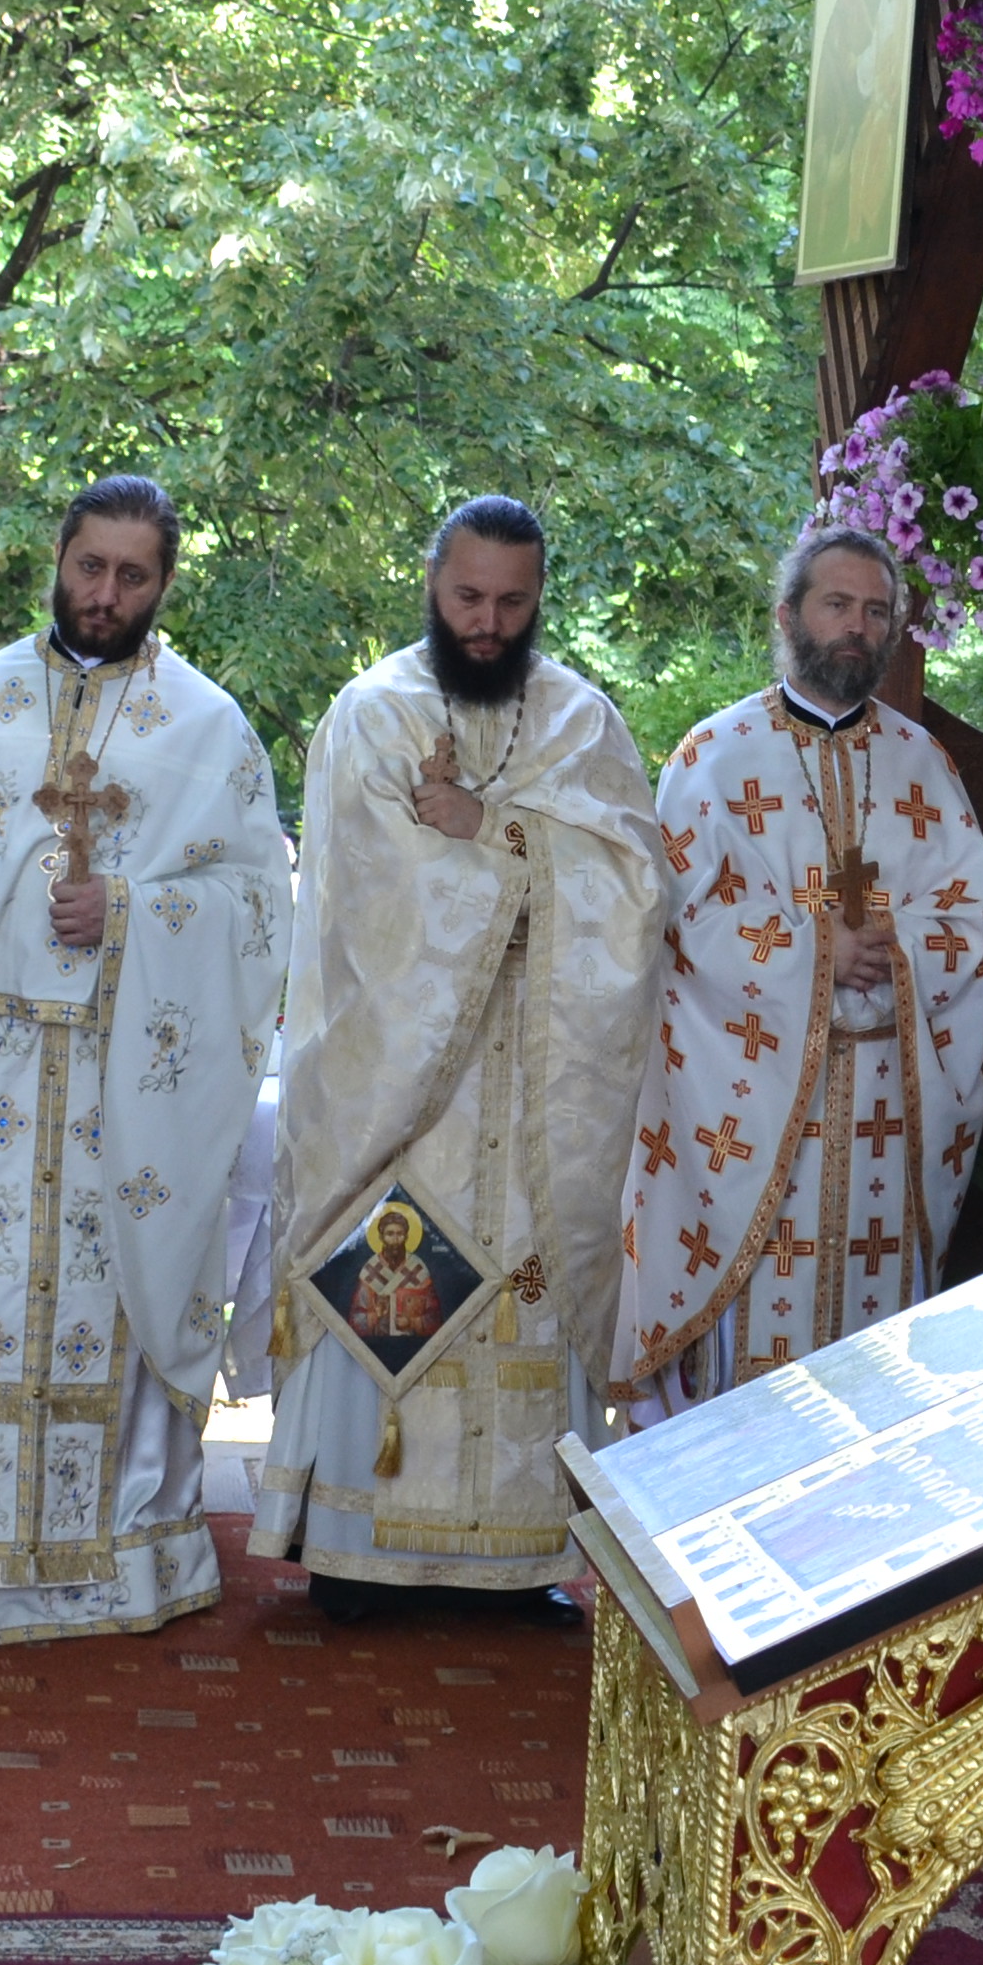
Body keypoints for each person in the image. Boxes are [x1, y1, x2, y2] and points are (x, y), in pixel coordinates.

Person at [0, 475, 290, 1653]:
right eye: (91, 567)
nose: (105, 594)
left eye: (133, 575)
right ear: (60, 556)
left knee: (113, 1312)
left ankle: (122, 1563)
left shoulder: (208, 728)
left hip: (132, 1078)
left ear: (164, 582)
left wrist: (135, 909)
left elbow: (256, 904)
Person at [255, 495, 665, 1608]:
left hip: (540, 1081)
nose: (487, 622)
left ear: (541, 597)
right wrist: (524, 869)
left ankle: (520, 1557)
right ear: (431, 585)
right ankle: (362, 1547)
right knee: (396, 1278)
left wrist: (491, 832)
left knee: (523, 1300)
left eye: (512, 601)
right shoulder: (374, 713)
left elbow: (636, 890)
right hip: (408, 1092)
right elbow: (375, 905)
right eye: (467, 597)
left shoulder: (582, 722)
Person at [616, 525, 983, 1403]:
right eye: (837, 605)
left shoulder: (924, 764)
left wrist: (896, 951)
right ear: (789, 615)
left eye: (876, 611)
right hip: (751, 1105)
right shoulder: (713, 757)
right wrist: (809, 947)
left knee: (874, 1377)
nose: (856, 627)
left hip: (886, 1111)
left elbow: (978, 917)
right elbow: (671, 921)